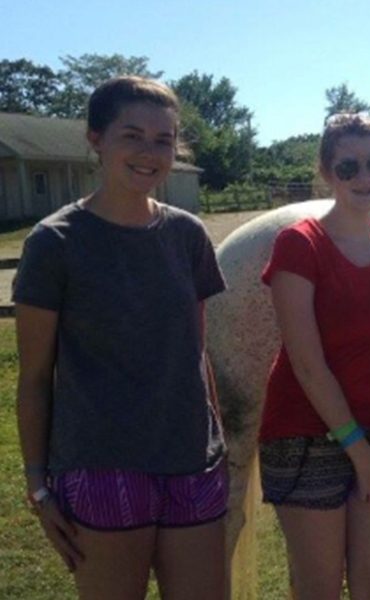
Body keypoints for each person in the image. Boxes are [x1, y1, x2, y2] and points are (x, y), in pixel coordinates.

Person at [14, 76, 228, 599]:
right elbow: (36, 378)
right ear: (95, 138)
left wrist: (219, 446)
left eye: (163, 139)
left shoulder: (187, 235)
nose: (149, 153)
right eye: (131, 135)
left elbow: (196, 353)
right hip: (102, 469)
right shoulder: (55, 243)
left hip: (193, 464)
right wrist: (40, 487)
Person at [259, 112, 370, 599]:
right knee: (319, 589)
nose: (365, 178)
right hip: (305, 437)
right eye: (348, 168)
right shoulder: (299, 245)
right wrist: (360, 456)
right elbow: (307, 364)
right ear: (328, 174)